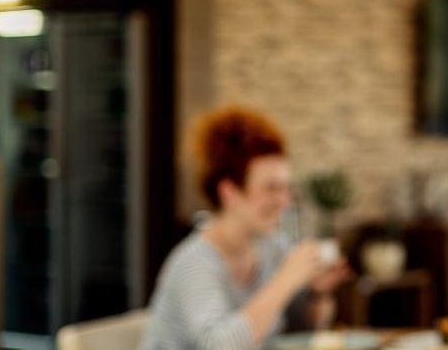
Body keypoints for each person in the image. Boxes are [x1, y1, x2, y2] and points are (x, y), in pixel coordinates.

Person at [141, 106, 351, 349]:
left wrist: (317, 292)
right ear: (229, 192)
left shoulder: (274, 248)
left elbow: (301, 331)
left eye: (286, 188)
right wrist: (286, 280)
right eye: (271, 188)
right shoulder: (194, 264)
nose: (284, 201)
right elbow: (218, 346)